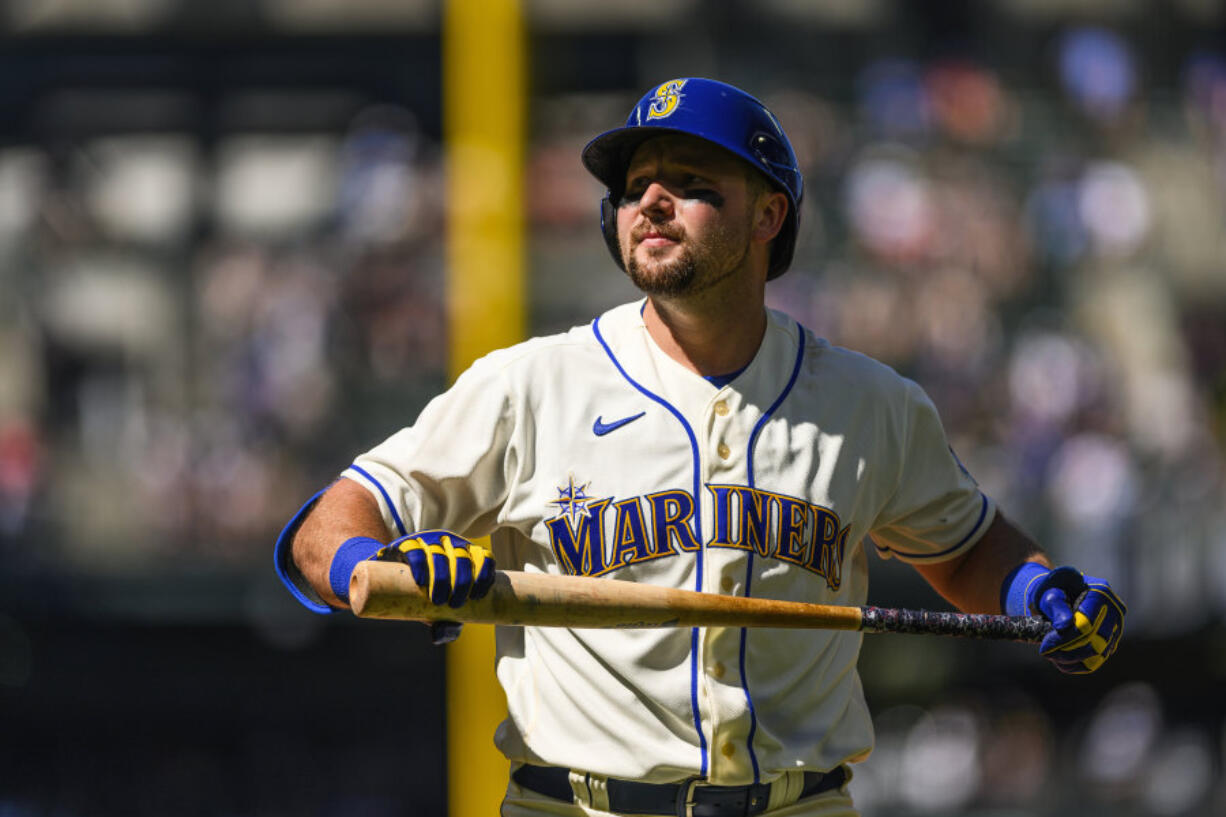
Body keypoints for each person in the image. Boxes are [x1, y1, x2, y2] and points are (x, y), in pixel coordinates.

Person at [274, 78, 1125, 817]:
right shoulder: (530, 385)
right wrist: (378, 562)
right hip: (576, 802)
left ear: (769, 213)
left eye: (689, 181)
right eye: (637, 182)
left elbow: (969, 548)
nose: (649, 200)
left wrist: (1041, 590)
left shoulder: (872, 404)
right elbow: (323, 533)